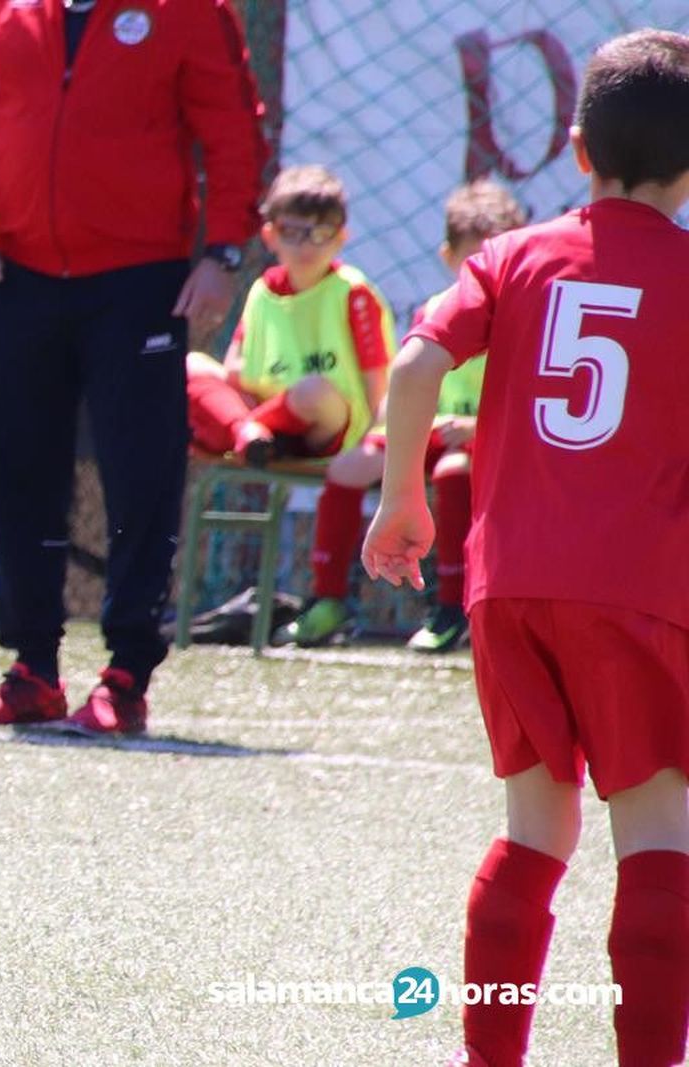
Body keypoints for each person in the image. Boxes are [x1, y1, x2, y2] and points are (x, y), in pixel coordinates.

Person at [363, 30, 689, 1066]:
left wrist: (399, 500)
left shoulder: (511, 254)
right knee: (656, 835)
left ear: (575, 149)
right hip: (641, 593)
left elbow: (415, 368)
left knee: (531, 830)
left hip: (509, 588)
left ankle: (488, 1058)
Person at [0, 0, 266, 736]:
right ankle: (33, 667)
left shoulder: (190, 10)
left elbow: (234, 128)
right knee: (20, 472)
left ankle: (127, 674)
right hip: (17, 274)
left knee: (142, 475)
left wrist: (224, 252)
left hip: (141, 280)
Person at [274, 180, 526, 650]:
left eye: (498, 259)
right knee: (350, 467)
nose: (487, 272)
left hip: (484, 442)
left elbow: (530, 402)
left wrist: (476, 427)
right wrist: (384, 432)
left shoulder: (525, 319)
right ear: (448, 258)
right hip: (426, 433)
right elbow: (406, 387)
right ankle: (328, 599)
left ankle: (452, 605)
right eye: (474, 260)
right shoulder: (437, 311)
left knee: (454, 472)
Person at [186, 163, 394, 470]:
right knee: (192, 363)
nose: (306, 245)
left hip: (327, 426)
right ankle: (251, 436)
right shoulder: (263, 291)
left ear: (341, 238)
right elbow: (234, 369)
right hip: (266, 412)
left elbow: (376, 386)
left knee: (313, 391)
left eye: (321, 232)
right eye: (292, 232)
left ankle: (240, 432)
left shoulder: (352, 292)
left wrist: (371, 445)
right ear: (270, 236)